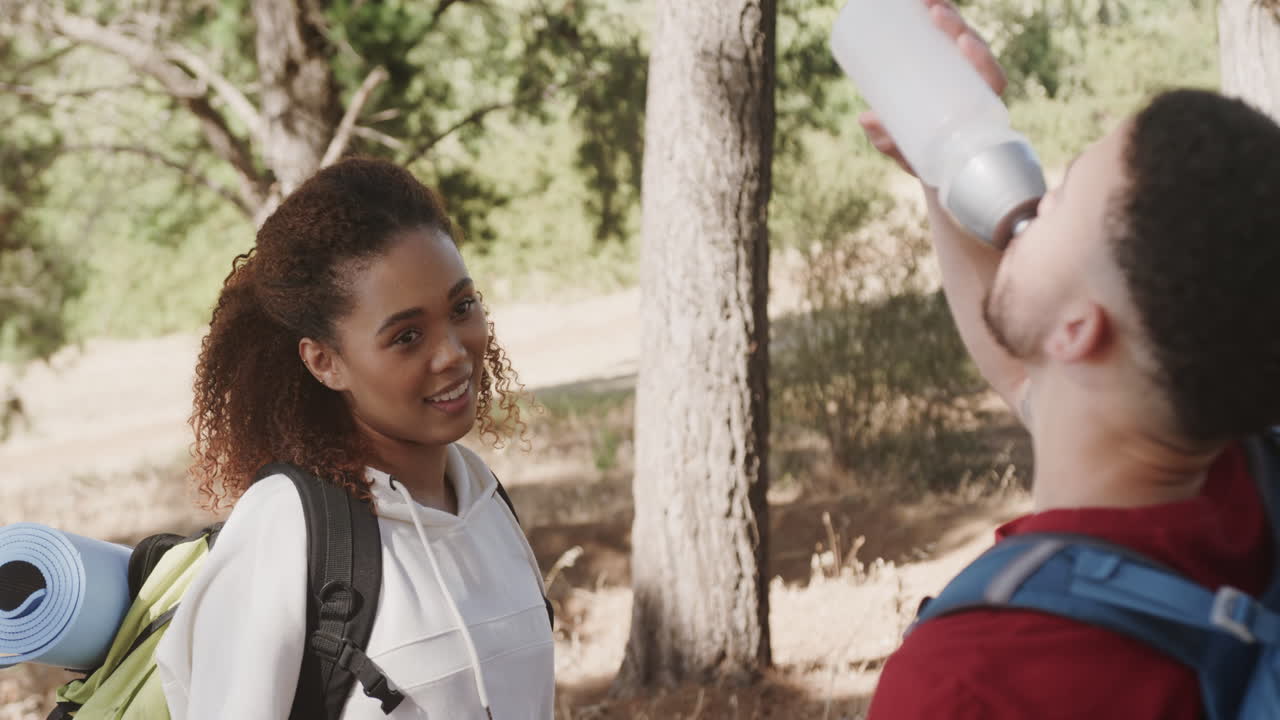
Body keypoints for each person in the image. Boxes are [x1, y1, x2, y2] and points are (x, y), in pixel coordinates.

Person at [859, 1, 1280, 717]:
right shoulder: (1248, 494)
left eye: (1058, 203)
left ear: (1079, 331)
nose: (1038, 203)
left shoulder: (968, 683)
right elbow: (1036, 375)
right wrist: (939, 165)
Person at [154, 157, 554, 719]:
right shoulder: (287, 527)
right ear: (325, 362)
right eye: (407, 336)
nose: (453, 353)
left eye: (462, 307)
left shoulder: (482, 496)